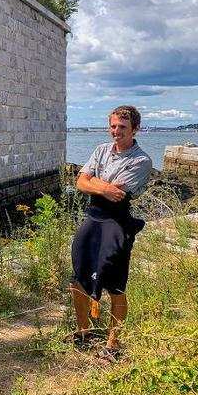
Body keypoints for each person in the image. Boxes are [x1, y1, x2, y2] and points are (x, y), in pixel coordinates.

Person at [70, 105, 153, 361]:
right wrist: (100, 187)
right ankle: (83, 330)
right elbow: (79, 182)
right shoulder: (101, 150)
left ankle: (113, 343)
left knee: (115, 283)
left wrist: (94, 183)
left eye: (122, 127)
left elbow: (117, 192)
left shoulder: (142, 160)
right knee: (79, 277)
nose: (116, 131)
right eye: (113, 126)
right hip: (92, 218)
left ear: (135, 129)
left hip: (116, 222)